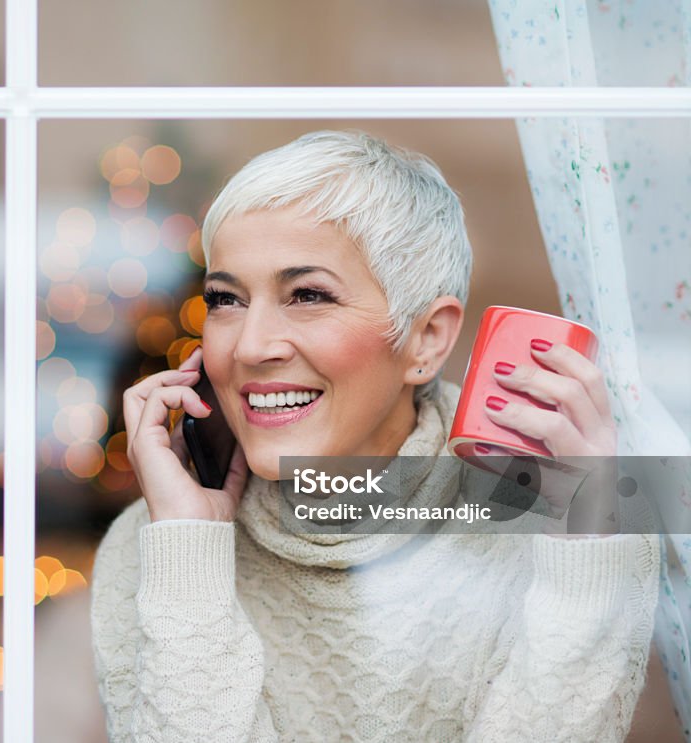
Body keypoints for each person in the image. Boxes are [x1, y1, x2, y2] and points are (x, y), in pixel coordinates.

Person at [89, 130, 662, 741]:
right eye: (226, 299)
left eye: (307, 295)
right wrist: (188, 553)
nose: (250, 346)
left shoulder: (567, 533)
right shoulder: (156, 545)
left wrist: (589, 553)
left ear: (427, 340)